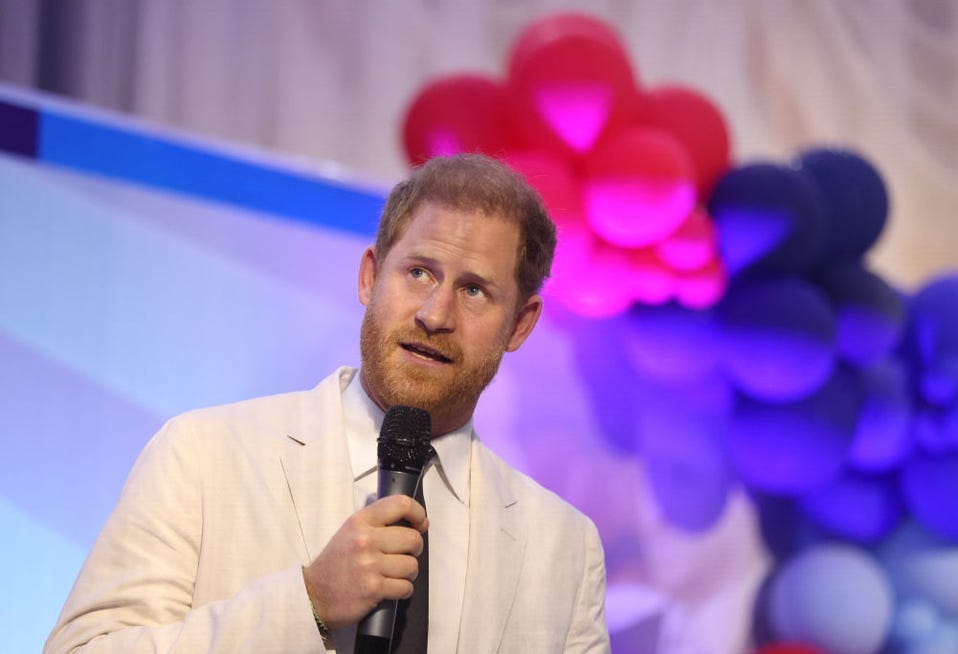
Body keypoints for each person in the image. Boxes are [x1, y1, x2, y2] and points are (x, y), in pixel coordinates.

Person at [44, 153, 611, 653]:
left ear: (520, 323)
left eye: (473, 290)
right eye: (418, 272)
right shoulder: (202, 455)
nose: (435, 315)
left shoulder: (562, 545)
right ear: (370, 277)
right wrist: (307, 602)